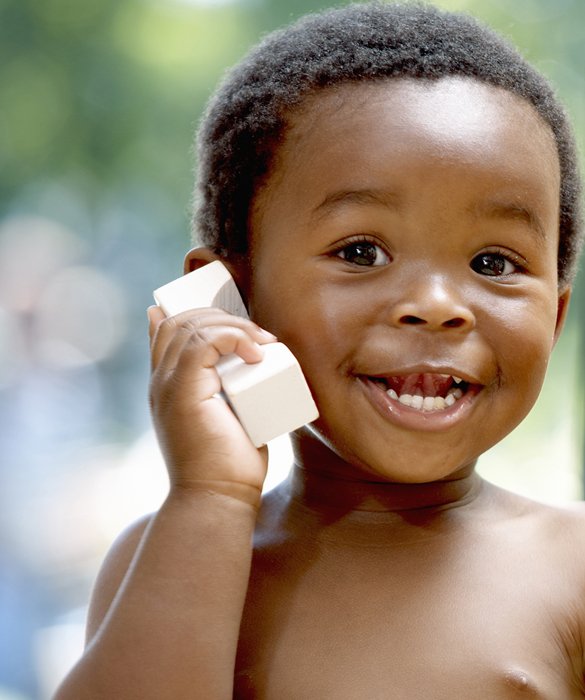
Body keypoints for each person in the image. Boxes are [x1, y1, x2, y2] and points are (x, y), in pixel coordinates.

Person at [55, 2, 585, 697]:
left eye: (492, 263)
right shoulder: (168, 559)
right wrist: (210, 496)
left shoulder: (571, 569)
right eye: (360, 251)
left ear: (553, 316)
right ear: (231, 298)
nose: (435, 305)